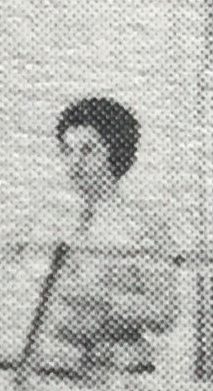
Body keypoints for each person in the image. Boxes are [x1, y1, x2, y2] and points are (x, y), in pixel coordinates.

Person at [34, 96, 179, 375]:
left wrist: (104, 301)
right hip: (59, 365)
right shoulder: (55, 220)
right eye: (67, 150)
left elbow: (165, 312)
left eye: (88, 150)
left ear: (114, 152)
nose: (74, 163)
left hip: (120, 368)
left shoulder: (145, 226)